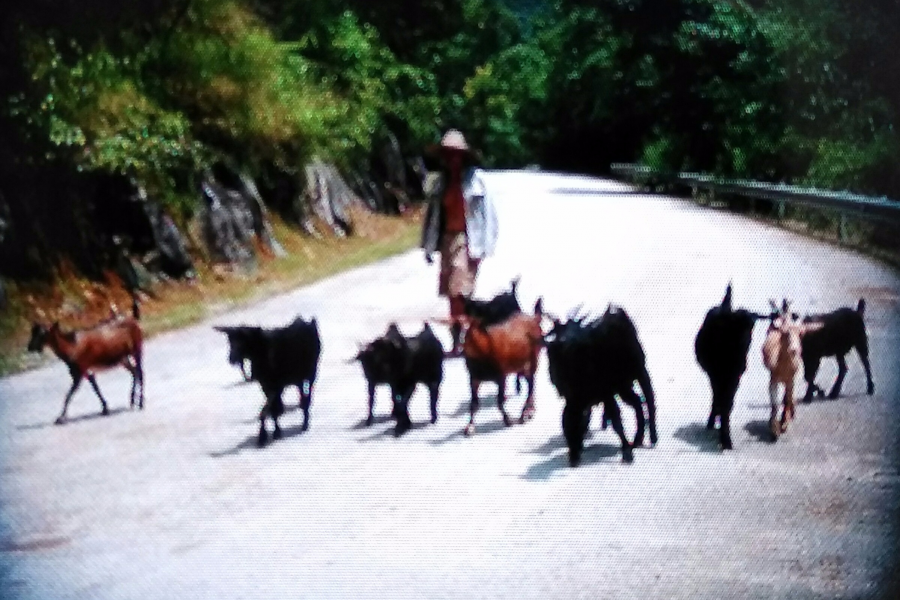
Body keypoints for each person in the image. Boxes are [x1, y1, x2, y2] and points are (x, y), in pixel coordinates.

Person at [421, 129, 499, 356]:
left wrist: (484, 247)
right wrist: (428, 246)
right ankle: (459, 339)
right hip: (448, 240)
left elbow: (489, 216)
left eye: (456, 154)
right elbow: (432, 218)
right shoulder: (439, 184)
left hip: (469, 239)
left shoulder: (477, 181)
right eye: (448, 155)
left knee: (461, 291)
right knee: (451, 292)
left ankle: (466, 338)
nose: (452, 159)